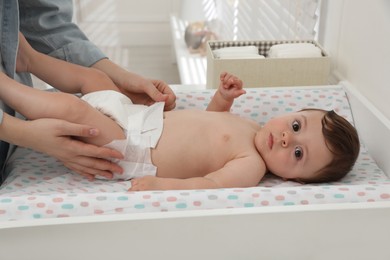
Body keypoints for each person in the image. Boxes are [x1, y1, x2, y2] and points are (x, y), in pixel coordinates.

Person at [0, 32, 361, 191]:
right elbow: (212, 120)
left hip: (131, 148)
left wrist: (161, 186)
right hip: (136, 119)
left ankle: (8, 86)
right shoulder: (250, 126)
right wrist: (222, 98)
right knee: (95, 79)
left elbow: (208, 184)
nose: (286, 137)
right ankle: (29, 59)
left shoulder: (250, 166)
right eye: (296, 125)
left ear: (295, 180)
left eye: (298, 153)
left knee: (71, 108)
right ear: (292, 113)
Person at [0, 0, 176, 183]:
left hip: (133, 150)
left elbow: (40, 17)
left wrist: (119, 77)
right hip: (139, 127)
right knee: (94, 81)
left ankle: (17, 71)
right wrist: (19, 131)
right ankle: (24, 64)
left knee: (76, 104)